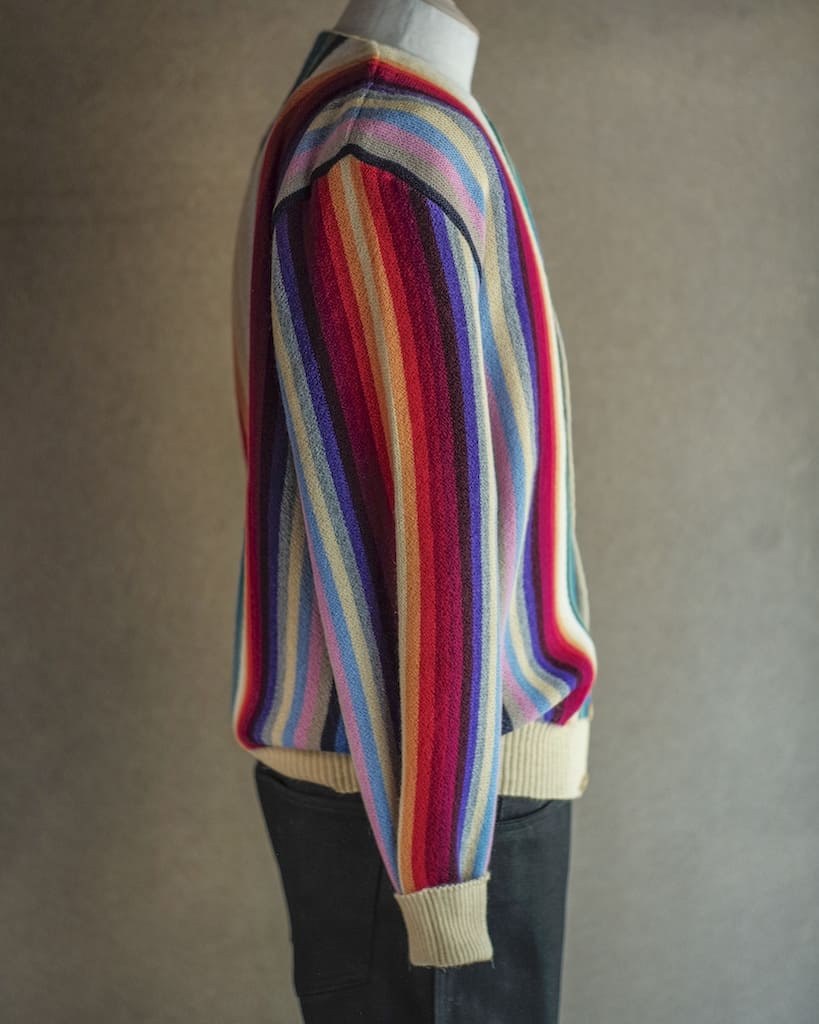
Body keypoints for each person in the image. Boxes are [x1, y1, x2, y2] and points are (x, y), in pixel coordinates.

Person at [230, 2, 598, 1019]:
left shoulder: (376, 125)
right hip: (427, 801)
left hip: (431, 780)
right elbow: (433, 544)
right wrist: (443, 880)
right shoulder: (381, 151)